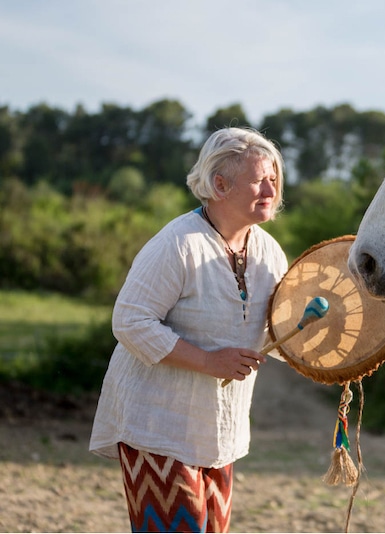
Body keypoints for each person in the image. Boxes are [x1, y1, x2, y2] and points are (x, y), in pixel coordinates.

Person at [90, 127, 289, 533]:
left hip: (219, 434)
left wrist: (334, 352)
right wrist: (208, 360)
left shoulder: (269, 251)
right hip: (156, 427)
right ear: (220, 184)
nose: (271, 187)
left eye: (273, 178)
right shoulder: (178, 243)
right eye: (258, 179)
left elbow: (280, 332)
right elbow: (129, 320)